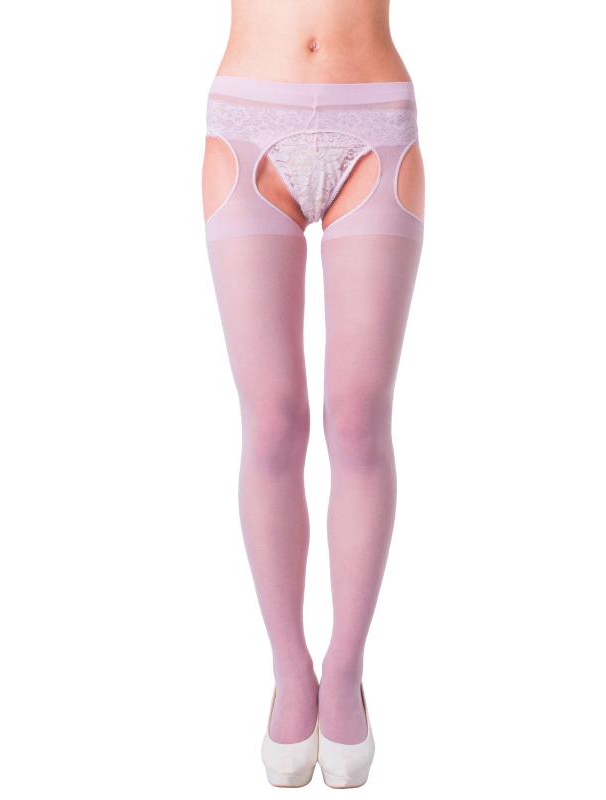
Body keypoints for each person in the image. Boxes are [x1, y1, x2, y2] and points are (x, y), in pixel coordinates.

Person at [201, 0, 425, 787]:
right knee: (271, 424)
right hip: (248, 118)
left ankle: (346, 668)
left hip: (375, 120)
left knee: (358, 421)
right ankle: (289, 669)